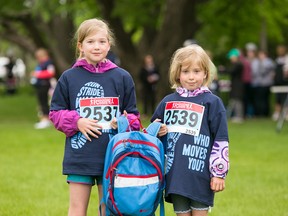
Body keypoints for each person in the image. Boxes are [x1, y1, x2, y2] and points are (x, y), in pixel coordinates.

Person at [48, 18, 140, 216]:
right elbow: (55, 113)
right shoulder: (69, 78)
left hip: (113, 155)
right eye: (90, 42)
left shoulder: (122, 77)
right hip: (80, 156)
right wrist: (77, 121)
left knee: (108, 209)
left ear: (109, 44)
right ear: (80, 46)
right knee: (76, 209)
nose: (96, 47)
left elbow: (134, 117)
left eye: (101, 41)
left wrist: (123, 122)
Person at [151, 44, 229, 216]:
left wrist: (218, 173)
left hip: (201, 175)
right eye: (186, 71)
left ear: (206, 73)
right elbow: (150, 135)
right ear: (177, 73)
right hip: (176, 175)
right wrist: (157, 129)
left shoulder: (212, 103)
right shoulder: (167, 102)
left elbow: (221, 140)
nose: (191, 77)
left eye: (196, 71)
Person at [31, 48, 55, 129]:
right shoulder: (41, 64)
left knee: (45, 102)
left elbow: (50, 73)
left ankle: (46, 119)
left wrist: (38, 74)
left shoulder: (48, 63)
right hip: (39, 86)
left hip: (45, 85)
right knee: (41, 103)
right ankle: (43, 119)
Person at [226, 48, 244, 123]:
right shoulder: (235, 64)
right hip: (235, 84)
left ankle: (239, 116)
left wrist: (224, 70)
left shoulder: (238, 65)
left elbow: (232, 71)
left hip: (238, 85)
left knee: (237, 100)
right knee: (233, 100)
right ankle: (231, 115)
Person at [272, 45, 288, 121]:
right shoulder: (277, 60)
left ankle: (286, 113)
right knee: (278, 98)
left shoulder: (286, 59)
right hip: (277, 82)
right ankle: (277, 113)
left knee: (285, 98)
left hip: (285, 82)